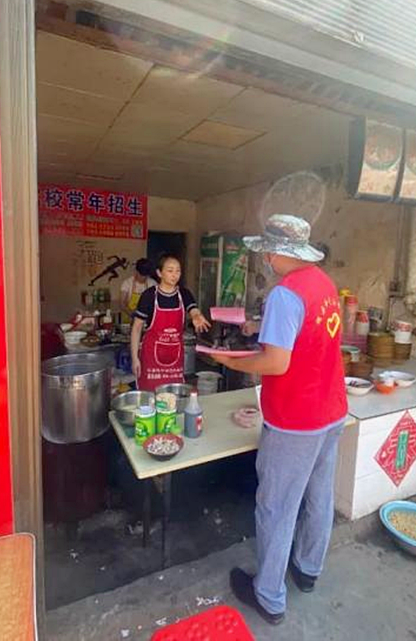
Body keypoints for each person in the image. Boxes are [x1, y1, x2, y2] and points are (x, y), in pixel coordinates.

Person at [207, 214, 347, 625]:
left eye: (268, 251)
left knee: (277, 507)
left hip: (296, 419)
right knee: (319, 495)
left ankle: (268, 596)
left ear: (282, 252)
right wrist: (260, 327)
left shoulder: (286, 294)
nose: (265, 258)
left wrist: (230, 360)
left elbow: (275, 363)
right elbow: (306, 337)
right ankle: (307, 569)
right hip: (331, 410)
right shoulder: (324, 284)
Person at [131, 255, 210, 391]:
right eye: (170, 270)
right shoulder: (149, 296)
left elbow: (193, 309)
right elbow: (136, 328)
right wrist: (134, 358)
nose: (175, 275)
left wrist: (197, 315)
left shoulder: (184, 294)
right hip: (151, 358)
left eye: (178, 271)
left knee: (172, 395)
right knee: (149, 396)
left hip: (175, 358)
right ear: (159, 273)